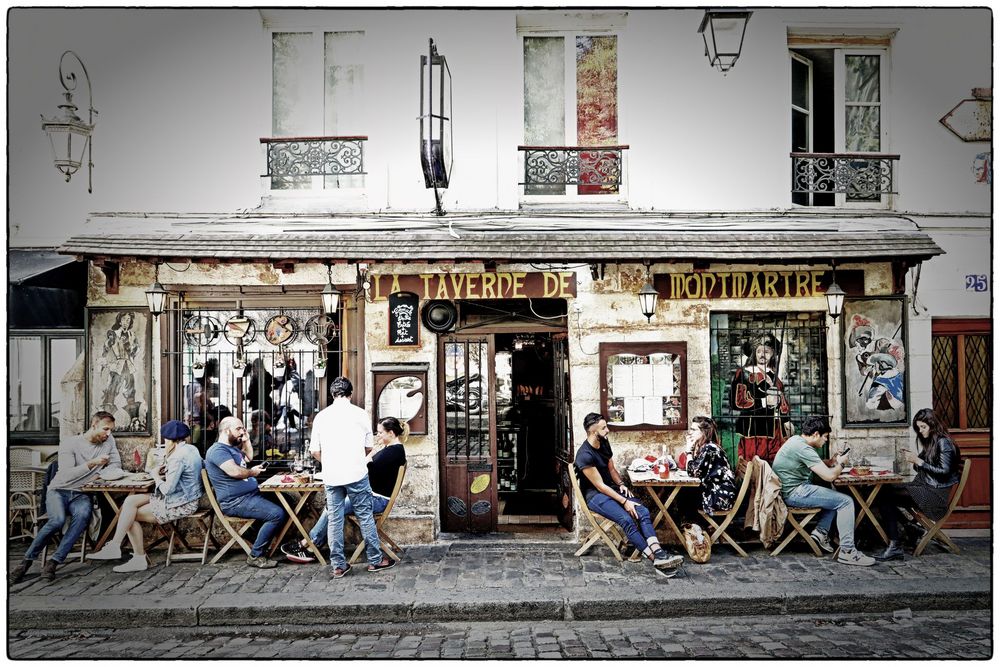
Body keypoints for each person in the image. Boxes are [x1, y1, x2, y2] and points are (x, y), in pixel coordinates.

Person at [10, 412, 122, 584]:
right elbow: (66, 474)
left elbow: (116, 464)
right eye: (105, 429)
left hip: (82, 493)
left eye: (111, 430)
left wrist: (99, 475)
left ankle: (54, 562)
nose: (108, 434)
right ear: (94, 425)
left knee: (83, 516)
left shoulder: (109, 441)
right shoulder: (70, 443)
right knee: (57, 520)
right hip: (59, 490)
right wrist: (91, 464)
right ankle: (26, 562)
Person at [283, 416, 408, 563]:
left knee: (334, 506)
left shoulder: (392, 453)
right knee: (333, 505)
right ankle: (311, 546)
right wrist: (370, 457)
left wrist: (367, 459)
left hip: (376, 500)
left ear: (391, 433)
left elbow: (365, 472)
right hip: (371, 496)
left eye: (380, 432)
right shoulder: (390, 450)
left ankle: (307, 544)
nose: (377, 435)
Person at [574, 412, 683, 575]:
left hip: (612, 489)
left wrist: (621, 484)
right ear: (592, 431)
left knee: (643, 511)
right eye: (603, 428)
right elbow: (600, 486)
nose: (607, 430)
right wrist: (625, 502)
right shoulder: (584, 455)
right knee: (626, 519)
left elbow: (611, 469)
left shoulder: (603, 442)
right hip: (595, 496)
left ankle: (659, 553)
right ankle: (656, 559)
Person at [88, 420, 204, 572]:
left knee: (129, 515)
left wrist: (155, 475)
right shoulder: (192, 449)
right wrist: (167, 472)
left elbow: (167, 490)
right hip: (186, 497)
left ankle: (138, 558)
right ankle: (115, 546)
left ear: (170, 440)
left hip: (181, 503)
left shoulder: (177, 457)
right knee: (130, 501)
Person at [309, 377, 395, 577]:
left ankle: (338, 565)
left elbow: (314, 451)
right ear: (350, 394)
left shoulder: (322, 416)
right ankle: (375, 559)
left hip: (332, 475)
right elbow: (368, 447)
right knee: (365, 516)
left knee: (334, 518)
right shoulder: (360, 414)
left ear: (332, 395)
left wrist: (330, 462)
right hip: (356, 473)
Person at [771, 416, 875, 566]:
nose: (826, 440)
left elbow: (815, 465)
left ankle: (821, 532)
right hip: (794, 493)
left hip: (790, 490)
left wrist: (831, 461)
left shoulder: (796, 441)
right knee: (846, 501)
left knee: (833, 497)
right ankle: (848, 552)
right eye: (825, 437)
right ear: (816, 434)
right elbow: (829, 476)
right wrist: (841, 464)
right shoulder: (804, 448)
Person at [873, 408, 963, 561]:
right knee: (884, 490)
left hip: (934, 496)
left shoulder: (944, 443)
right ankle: (910, 528)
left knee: (884, 495)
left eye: (923, 427)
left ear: (933, 425)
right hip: (925, 488)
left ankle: (895, 544)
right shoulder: (931, 442)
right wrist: (914, 460)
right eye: (918, 428)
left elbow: (944, 471)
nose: (920, 431)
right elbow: (921, 467)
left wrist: (919, 461)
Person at [205, 416, 285, 569]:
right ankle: (256, 555)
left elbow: (249, 457)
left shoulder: (232, 448)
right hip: (235, 501)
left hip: (250, 495)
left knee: (287, 500)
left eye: (242, 427)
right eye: (238, 429)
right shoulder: (217, 451)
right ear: (226, 430)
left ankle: (251, 533)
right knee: (276, 514)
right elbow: (234, 471)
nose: (242, 431)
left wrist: (246, 440)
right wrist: (252, 473)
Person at [729, 333, 793, 463]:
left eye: (767, 351)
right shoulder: (744, 373)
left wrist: (786, 420)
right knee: (754, 465)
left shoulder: (774, 377)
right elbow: (737, 402)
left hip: (775, 430)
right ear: (754, 353)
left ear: (772, 354)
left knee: (775, 464)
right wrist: (764, 401)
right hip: (755, 429)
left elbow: (782, 402)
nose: (762, 355)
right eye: (759, 351)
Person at [683, 416, 737, 514]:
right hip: (715, 490)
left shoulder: (709, 448)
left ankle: (694, 525)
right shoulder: (705, 446)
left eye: (694, 430)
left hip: (720, 497)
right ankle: (693, 525)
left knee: (684, 495)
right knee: (684, 493)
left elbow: (692, 471)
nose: (690, 432)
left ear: (704, 432)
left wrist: (688, 452)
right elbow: (693, 468)